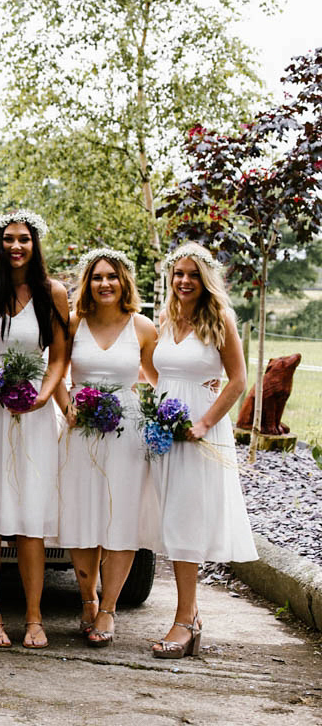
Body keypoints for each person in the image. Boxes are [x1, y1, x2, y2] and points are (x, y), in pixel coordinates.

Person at [0, 210, 68, 649]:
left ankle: (33, 618)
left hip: (33, 415)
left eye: (24, 239)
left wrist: (44, 395)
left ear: (35, 243)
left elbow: (61, 355)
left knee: (31, 518)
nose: (16, 246)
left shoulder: (53, 292)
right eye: (8, 239)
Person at [149, 243, 256, 659]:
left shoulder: (221, 319)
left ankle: (183, 621)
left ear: (206, 279)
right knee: (172, 520)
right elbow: (158, 368)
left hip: (201, 434)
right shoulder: (166, 316)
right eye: (178, 273)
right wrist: (159, 401)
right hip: (165, 431)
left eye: (193, 274)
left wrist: (204, 421)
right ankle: (190, 619)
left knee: (187, 520)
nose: (184, 281)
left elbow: (237, 380)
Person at [53, 249, 160, 647]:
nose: (104, 284)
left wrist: (202, 386)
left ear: (124, 282)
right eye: (97, 277)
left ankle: (109, 608)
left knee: (120, 519)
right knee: (81, 517)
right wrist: (68, 409)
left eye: (112, 277)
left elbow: (155, 376)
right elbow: (57, 375)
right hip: (80, 431)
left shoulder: (144, 328)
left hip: (126, 431)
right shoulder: (73, 323)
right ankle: (87, 599)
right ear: (88, 283)